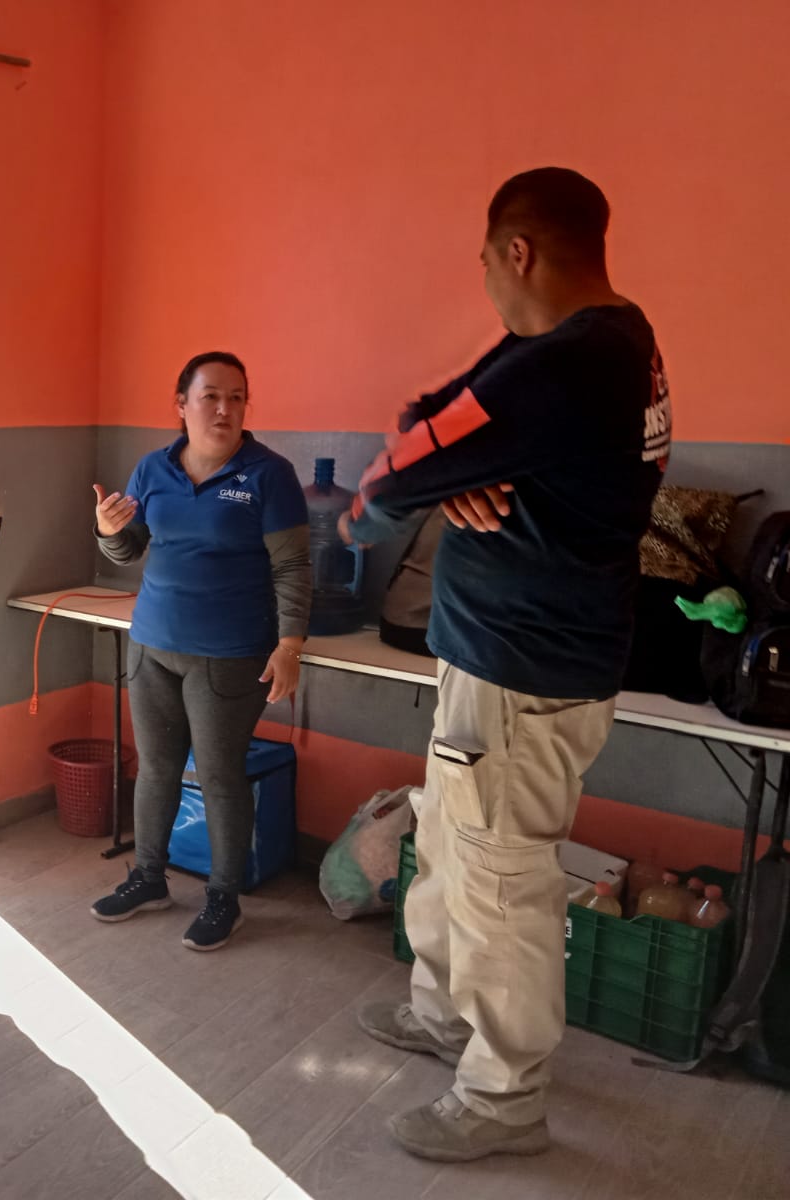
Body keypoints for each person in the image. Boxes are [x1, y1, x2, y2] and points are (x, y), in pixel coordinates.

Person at [342, 168, 669, 1162]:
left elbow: (383, 487)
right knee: (451, 851)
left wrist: (425, 476)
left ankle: (503, 1096)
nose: (484, 278)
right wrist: (457, 470)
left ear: (517, 252)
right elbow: (437, 417)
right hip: (496, 664)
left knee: (503, 887)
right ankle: (444, 1016)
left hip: (522, 678)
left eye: (486, 260)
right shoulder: (593, 344)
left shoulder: (570, 362)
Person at [89, 351, 312, 951]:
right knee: (157, 767)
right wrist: (108, 531)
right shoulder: (152, 469)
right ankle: (148, 878)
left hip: (230, 654)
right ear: (181, 405)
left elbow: (292, 566)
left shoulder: (268, 475)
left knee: (218, 775)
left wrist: (290, 645)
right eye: (210, 395)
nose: (224, 408)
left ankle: (223, 898)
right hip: (152, 644)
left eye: (236, 397)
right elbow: (130, 550)